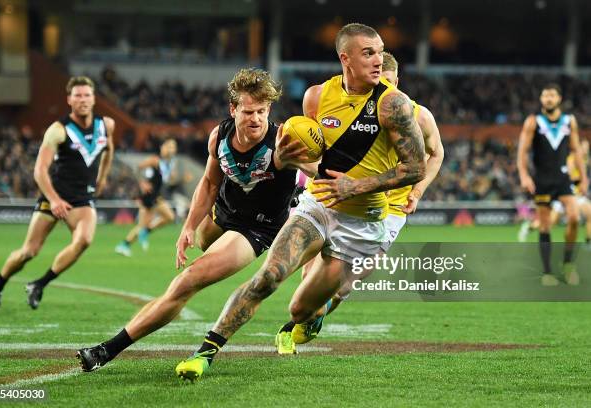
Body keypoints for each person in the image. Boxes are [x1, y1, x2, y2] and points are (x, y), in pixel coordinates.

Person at [175, 23, 426, 381]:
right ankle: (204, 353)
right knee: (268, 278)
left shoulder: (394, 104)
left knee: (299, 309)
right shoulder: (317, 97)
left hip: (364, 223)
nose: (377, 60)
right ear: (346, 58)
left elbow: (416, 167)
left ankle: (314, 314)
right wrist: (291, 153)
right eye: (368, 53)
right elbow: (317, 151)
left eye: (379, 51)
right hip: (318, 207)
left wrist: (356, 187)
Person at [76, 68, 312, 371]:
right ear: (233, 109)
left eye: (263, 112)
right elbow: (210, 183)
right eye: (249, 111)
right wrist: (188, 226)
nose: (256, 119)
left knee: (186, 282)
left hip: (255, 228)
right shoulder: (220, 135)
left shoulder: (282, 141)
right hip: (223, 211)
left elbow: (321, 169)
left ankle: (106, 351)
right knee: (202, 242)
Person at [274, 51, 444, 354]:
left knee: (346, 284)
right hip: (334, 198)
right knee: (309, 275)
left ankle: (305, 320)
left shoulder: (417, 115)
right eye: (381, 83)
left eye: (390, 84)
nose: (384, 91)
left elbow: (436, 154)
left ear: (398, 82)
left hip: (387, 210)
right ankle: (299, 322)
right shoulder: (347, 108)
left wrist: (416, 192)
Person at [0, 76, 115, 310]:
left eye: (86, 95)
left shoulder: (106, 125)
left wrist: (103, 177)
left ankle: (39, 284)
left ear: (94, 99)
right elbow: (39, 170)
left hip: (82, 199)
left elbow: (109, 149)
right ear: (69, 100)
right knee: (28, 252)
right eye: (78, 95)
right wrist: (54, 199)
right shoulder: (58, 130)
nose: (82, 99)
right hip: (54, 195)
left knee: (84, 240)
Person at [517, 83, 588, 286]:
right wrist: (524, 175)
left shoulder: (569, 121)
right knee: (545, 225)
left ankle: (567, 265)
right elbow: (522, 150)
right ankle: (547, 272)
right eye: (545, 95)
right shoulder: (533, 122)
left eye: (552, 95)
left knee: (574, 217)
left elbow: (576, 150)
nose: (548, 99)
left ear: (559, 99)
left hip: (563, 178)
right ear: (541, 99)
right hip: (542, 180)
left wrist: (584, 178)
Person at [115, 138, 178, 256]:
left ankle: (144, 232)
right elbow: (137, 169)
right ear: (162, 148)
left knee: (169, 217)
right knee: (141, 226)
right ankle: (124, 245)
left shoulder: (170, 163)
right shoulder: (155, 160)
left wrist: (175, 177)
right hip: (148, 196)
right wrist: (142, 183)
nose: (171, 149)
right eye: (168, 146)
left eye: (173, 147)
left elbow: (168, 180)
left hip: (157, 196)